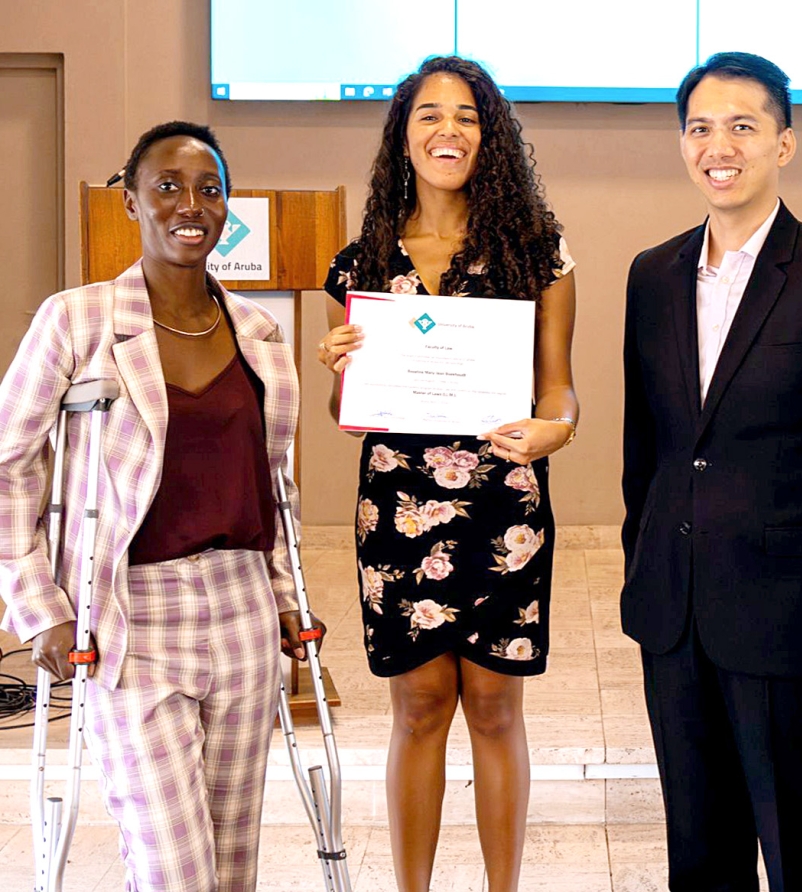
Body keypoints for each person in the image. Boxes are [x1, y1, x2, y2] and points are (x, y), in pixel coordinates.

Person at [0, 121, 318, 891]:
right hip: (132, 616)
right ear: (131, 201)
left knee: (232, 866)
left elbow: (273, 482)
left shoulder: (260, 334)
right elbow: (8, 463)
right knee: (177, 871)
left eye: (210, 190)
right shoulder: (76, 320)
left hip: (241, 613)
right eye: (168, 186)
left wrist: (285, 598)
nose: (191, 205)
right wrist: (37, 604)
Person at [621, 52, 802, 892]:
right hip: (674, 619)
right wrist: (648, 570)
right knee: (698, 852)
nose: (721, 146)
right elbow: (651, 453)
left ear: (784, 144)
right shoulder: (652, 275)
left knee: (797, 854)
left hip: (788, 628)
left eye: (744, 126)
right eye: (701, 128)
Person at [318, 56, 578, 892]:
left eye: (466, 115)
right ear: (402, 133)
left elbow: (559, 390)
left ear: (489, 135)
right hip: (395, 515)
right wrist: (337, 368)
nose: (448, 130)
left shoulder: (539, 254)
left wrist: (555, 431)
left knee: (497, 711)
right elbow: (348, 414)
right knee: (419, 709)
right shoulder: (357, 265)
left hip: (503, 508)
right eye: (429, 114)